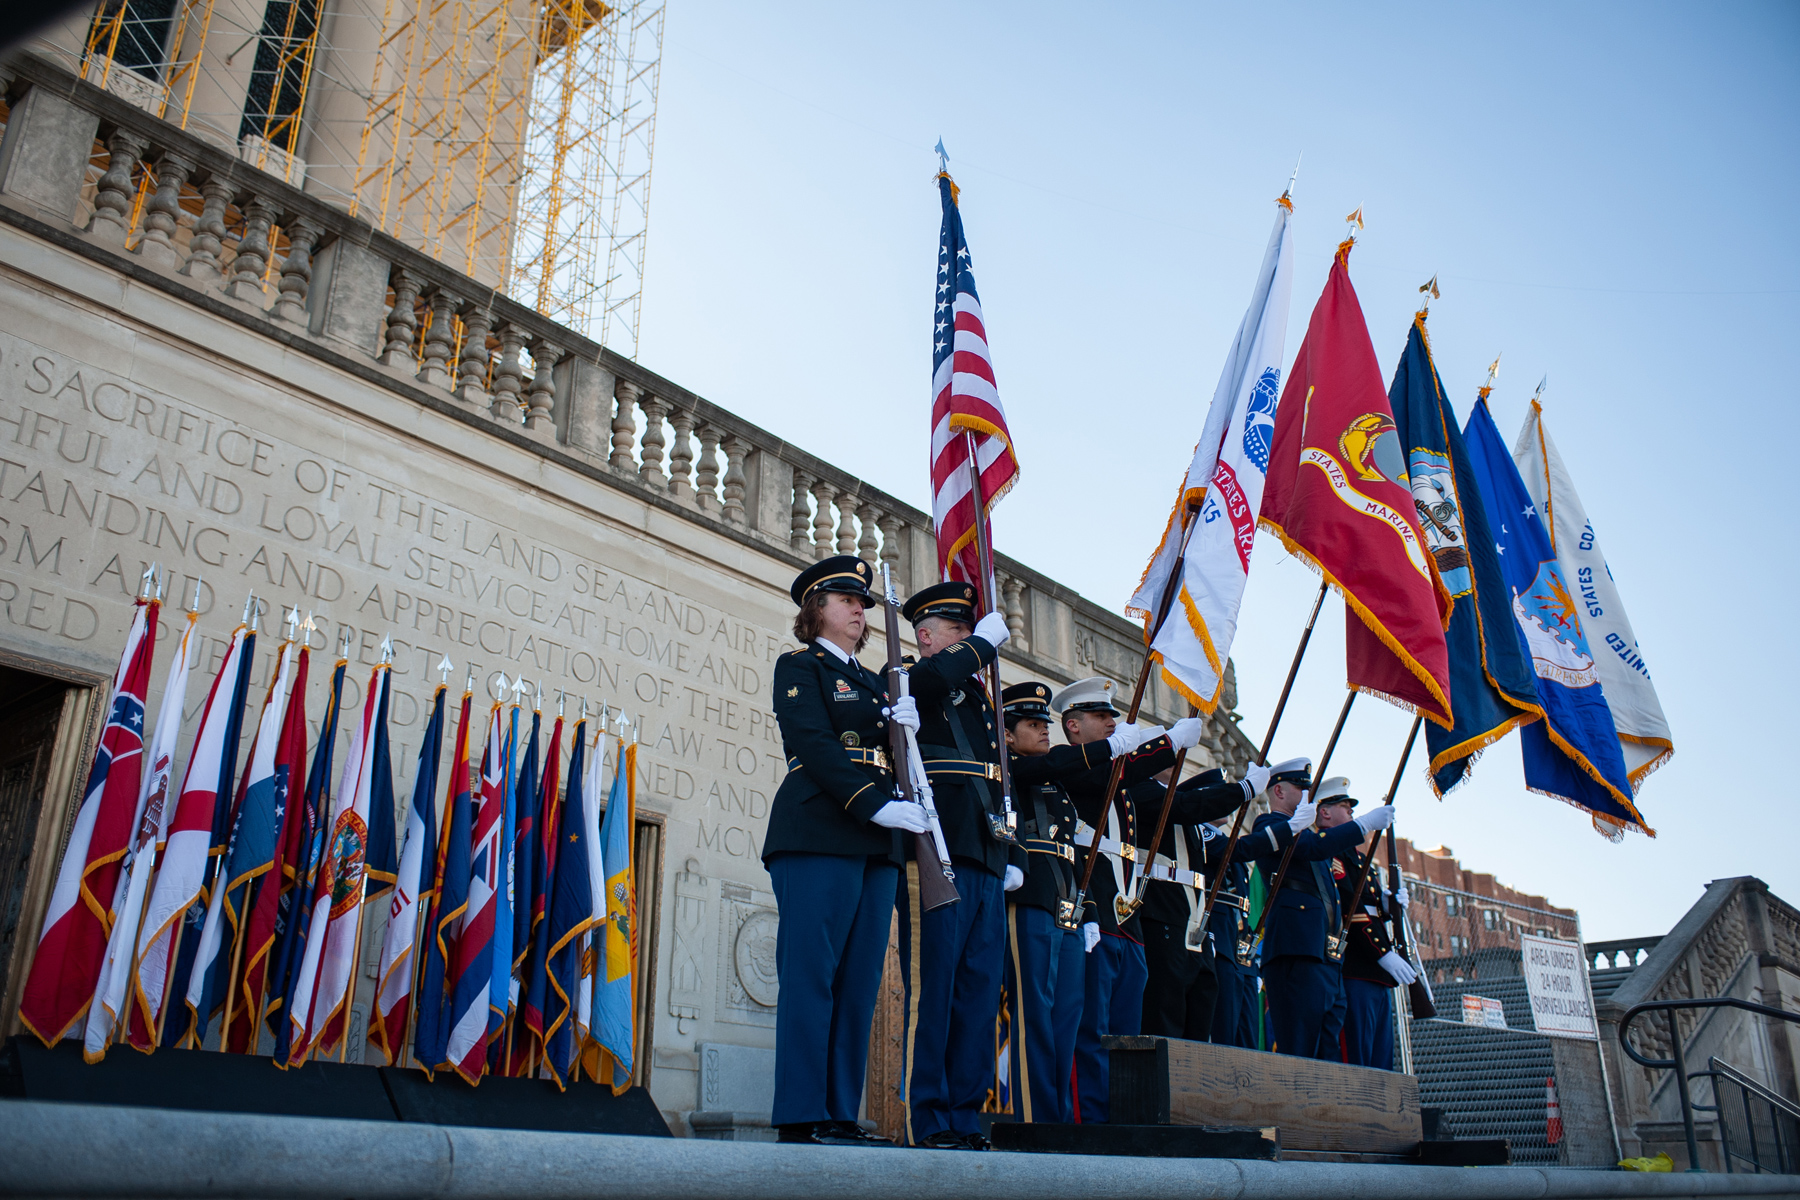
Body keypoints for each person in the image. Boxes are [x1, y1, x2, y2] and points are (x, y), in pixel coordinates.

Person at [763, 555, 927, 1147]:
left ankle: (838, 1109)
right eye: (846, 600)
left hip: (875, 842)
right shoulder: (798, 666)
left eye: (863, 602)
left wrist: (907, 725)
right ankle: (802, 1113)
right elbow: (812, 742)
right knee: (812, 977)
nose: (860, 610)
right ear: (815, 610)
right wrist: (873, 803)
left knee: (859, 985)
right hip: (820, 830)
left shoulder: (877, 680)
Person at [894, 581, 1024, 1150]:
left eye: (972, 630)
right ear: (926, 636)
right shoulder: (912, 679)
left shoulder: (981, 700)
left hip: (988, 856)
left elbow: (1004, 786)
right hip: (940, 854)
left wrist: (1012, 854)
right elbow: (929, 679)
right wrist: (978, 649)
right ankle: (928, 1116)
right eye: (958, 630)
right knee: (936, 987)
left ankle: (965, 1115)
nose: (971, 637)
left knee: (977, 990)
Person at [999, 680, 1158, 1124]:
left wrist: (1087, 912)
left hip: (1069, 908)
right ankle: (1036, 1122)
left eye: (1045, 722)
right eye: (1033, 724)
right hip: (1028, 900)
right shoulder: (1011, 767)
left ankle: (1062, 1121)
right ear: (1008, 735)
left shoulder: (1054, 784)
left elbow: (1072, 858)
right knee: (1035, 1017)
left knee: (1066, 1022)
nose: (1044, 731)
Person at [1053, 677, 1202, 1122]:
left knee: (1126, 1034)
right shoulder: (1074, 765)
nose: (1112, 723)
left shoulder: (1120, 779)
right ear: (1073, 726)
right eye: (1101, 717)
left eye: (1112, 716)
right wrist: (1166, 742)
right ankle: (1091, 1124)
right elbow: (1108, 774)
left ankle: (1124, 1120)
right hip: (1092, 913)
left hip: (1127, 920)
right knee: (1091, 1031)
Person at [1244, 768, 1394, 1060]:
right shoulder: (1270, 824)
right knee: (1300, 1047)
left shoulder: (1310, 838)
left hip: (1324, 956)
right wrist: (1363, 824)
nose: (1308, 797)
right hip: (1296, 952)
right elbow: (1313, 846)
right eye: (1302, 789)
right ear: (1279, 792)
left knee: (1328, 1050)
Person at [1130, 762, 1264, 1041]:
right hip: (1164, 920)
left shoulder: (1187, 818)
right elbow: (1188, 807)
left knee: (1200, 1019)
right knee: (1166, 1018)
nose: (1174, 759)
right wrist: (1245, 789)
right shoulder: (1143, 791)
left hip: (1195, 929)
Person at [1318, 790, 1417, 1070]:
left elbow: (1370, 905)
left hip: (1374, 970)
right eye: (1343, 805)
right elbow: (1350, 908)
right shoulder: (1331, 851)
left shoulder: (1359, 857)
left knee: (1380, 1059)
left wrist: (1388, 905)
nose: (1350, 810)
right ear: (1324, 812)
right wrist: (1383, 953)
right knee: (1357, 1059)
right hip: (1356, 966)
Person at [1205, 827, 1260, 1048]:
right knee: (1224, 1033)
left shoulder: (1227, 838)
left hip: (1241, 949)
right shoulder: (1202, 832)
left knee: (1248, 1036)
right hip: (1220, 941)